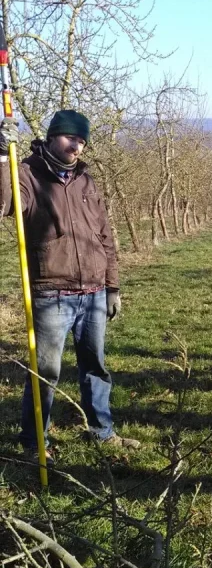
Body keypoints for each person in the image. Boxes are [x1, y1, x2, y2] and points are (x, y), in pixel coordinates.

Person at [0, 111, 139, 456]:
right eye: (70, 138)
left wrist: (112, 286)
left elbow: (105, 236)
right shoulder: (28, 174)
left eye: (81, 141)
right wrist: (3, 156)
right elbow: (3, 203)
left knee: (96, 366)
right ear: (52, 137)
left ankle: (102, 431)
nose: (76, 146)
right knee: (46, 370)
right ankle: (34, 441)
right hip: (52, 293)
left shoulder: (86, 181)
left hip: (93, 291)